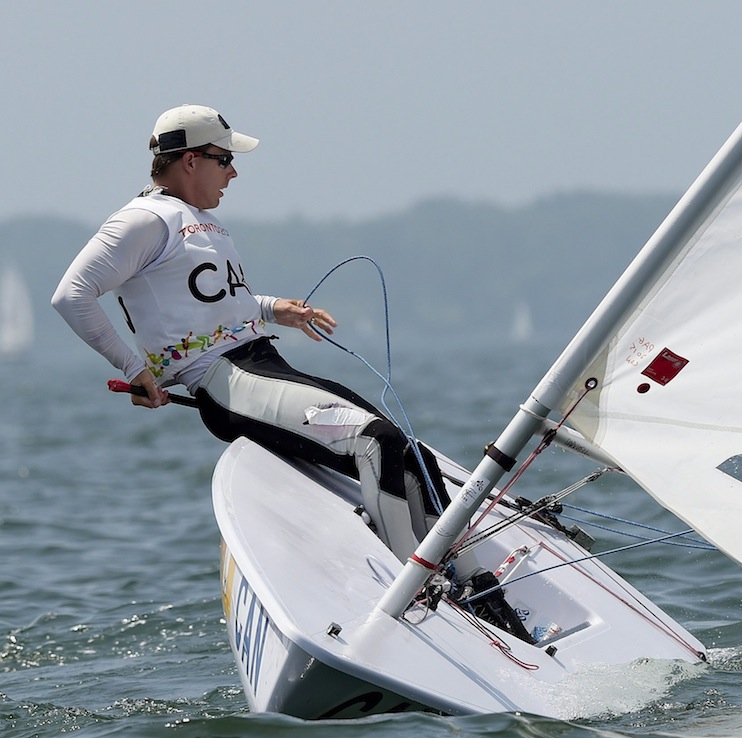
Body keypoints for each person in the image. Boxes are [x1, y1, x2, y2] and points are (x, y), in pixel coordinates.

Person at [51, 104, 448, 560]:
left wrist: (274, 309)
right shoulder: (143, 219)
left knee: (414, 458)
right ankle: (415, 585)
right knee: (377, 443)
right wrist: (134, 367)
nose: (234, 172)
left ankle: (472, 583)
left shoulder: (202, 222)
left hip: (261, 365)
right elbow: (72, 294)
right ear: (190, 161)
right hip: (226, 383)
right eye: (224, 159)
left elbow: (215, 308)